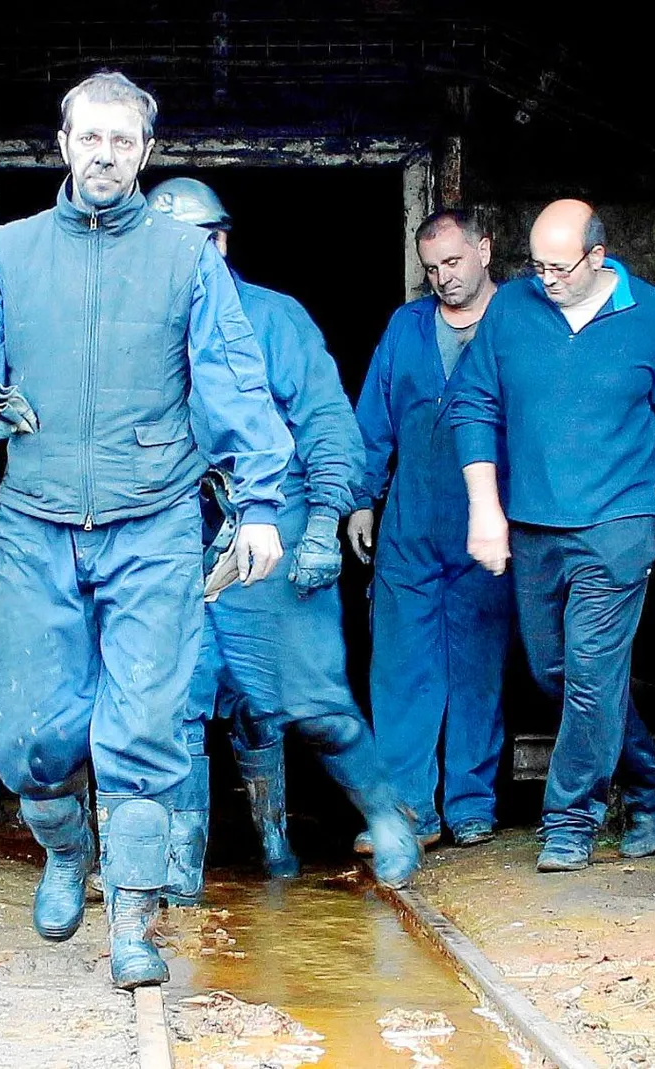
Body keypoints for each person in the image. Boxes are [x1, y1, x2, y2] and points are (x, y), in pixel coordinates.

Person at [0, 72, 293, 989]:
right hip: (35, 523)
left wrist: (259, 504)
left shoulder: (185, 259)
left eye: (121, 141)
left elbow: (232, 377)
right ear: (63, 145)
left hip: (155, 520)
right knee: (32, 736)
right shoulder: (11, 254)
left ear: (142, 152)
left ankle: (134, 918)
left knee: (144, 728)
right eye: (89, 137)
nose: (103, 153)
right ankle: (62, 848)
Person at [147, 177, 424, 901]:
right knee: (178, 702)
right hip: (180, 529)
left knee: (310, 701)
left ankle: (386, 815)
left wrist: (327, 520)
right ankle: (182, 866)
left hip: (277, 517)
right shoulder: (137, 329)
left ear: (222, 241)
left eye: (199, 243)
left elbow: (330, 422)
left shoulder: (274, 319)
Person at [448, 200, 655, 873]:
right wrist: (484, 507)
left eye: (559, 266)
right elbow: (474, 403)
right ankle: (654, 781)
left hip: (617, 521)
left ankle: (571, 819)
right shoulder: (514, 310)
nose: (544, 277)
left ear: (597, 256)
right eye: (536, 264)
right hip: (534, 521)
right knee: (555, 671)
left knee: (590, 672)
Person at [349, 209, 515, 851]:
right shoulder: (407, 326)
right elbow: (374, 418)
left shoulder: (519, 321)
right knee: (400, 667)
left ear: (484, 248)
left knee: (477, 665)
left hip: (488, 518)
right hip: (411, 521)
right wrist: (362, 498)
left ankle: (472, 803)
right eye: (432, 268)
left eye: (453, 262)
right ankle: (410, 809)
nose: (443, 278)